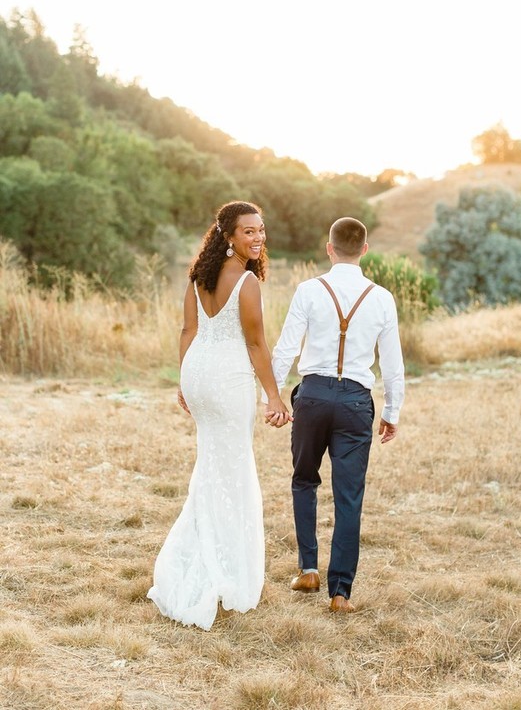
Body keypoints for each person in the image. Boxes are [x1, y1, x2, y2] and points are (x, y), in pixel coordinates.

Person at [147, 201, 291, 631]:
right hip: (226, 381)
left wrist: (183, 378)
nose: (258, 238)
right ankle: (222, 571)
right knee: (232, 470)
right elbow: (256, 346)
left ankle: (202, 555)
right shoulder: (247, 283)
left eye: (261, 230)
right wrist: (274, 397)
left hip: (198, 374)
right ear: (229, 235)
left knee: (212, 466)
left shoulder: (198, 277)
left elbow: (188, 332)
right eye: (249, 232)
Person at [263, 217, 405, 613]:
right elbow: (392, 365)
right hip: (356, 402)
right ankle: (340, 593)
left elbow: (285, 349)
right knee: (349, 497)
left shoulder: (309, 290)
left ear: (329, 248)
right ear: (364, 249)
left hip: (311, 396)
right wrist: (392, 411)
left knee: (304, 480)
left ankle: (308, 567)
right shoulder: (382, 298)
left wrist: (271, 397)